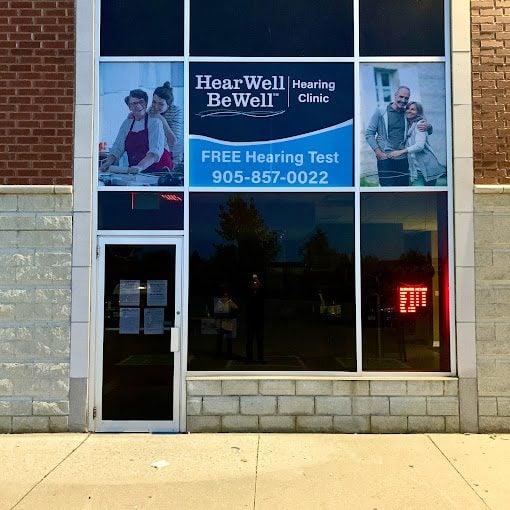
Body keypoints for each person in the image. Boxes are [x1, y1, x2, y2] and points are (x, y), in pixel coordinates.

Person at [365, 86, 432, 186]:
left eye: (406, 98)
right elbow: (369, 133)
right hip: (385, 158)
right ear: (395, 95)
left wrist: (429, 126)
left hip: (403, 159)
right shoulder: (381, 112)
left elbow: (420, 121)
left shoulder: (407, 113)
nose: (403, 100)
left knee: (402, 192)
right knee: (387, 193)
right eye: (401, 97)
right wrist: (378, 152)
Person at [99, 89, 173, 174]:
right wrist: (109, 161)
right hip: (135, 171)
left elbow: (154, 152)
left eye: (141, 102)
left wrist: (140, 166)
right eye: (134, 103)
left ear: (146, 104)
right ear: (129, 107)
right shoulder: (126, 124)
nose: (138, 106)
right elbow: (117, 148)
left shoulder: (155, 123)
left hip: (156, 171)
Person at [388, 102, 446, 186]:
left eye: (413, 109)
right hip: (416, 170)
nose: (409, 111)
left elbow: (419, 146)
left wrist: (400, 152)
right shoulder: (408, 126)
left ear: (418, 112)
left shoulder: (419, 125)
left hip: (428, 167)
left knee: (428, 195)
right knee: (419, 194)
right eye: (408, 108)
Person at [245, 274, 265, 363]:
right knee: (249, 340)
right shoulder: (249, 292)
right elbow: (249, 289)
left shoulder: (261, 293)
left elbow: (262, 290)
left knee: (260, 340)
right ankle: (249, 358)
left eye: (256, 283)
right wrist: (253, 282)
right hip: (250, 320)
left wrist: (257, 281)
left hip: (259, 321)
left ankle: (260, 358)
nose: (255, 283)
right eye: (254, 283)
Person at [214, 291, 238, 359]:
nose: (225, 297)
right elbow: (216, 313)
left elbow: (236, 311)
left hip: (228, 325)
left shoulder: (230, 302)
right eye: (224, 296)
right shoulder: (218, 302)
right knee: (219, 340)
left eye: (226, 296)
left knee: (229, 340)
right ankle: (218, 354)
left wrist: (230, 316)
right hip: (220, 325)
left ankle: (229, 354)